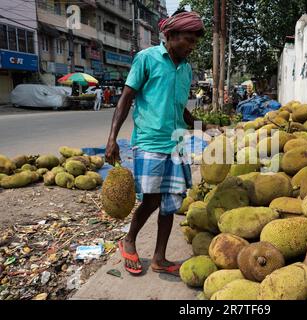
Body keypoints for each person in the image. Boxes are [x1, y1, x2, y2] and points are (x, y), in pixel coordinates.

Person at [105, 11, 218, 277]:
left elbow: (180, 110)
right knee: (153, 198)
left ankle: (159, 257)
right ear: (170, 36)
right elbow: (125, 99)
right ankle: (130, 239)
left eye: (194, 42)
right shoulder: (147, 58)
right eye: (187, 40)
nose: (191, 47)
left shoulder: (187, 69)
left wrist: (204, 127)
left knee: (170, 202)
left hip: (177, 143)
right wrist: (112, 139)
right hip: (149, 141)